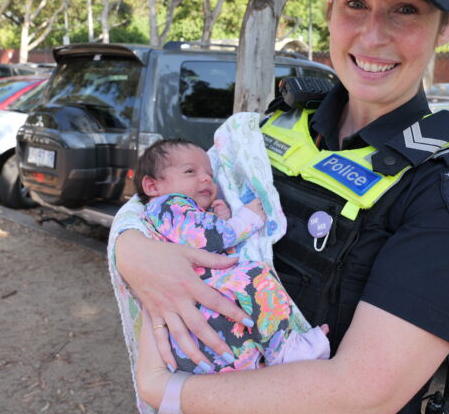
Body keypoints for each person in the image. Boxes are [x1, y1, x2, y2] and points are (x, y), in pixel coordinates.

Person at [113, 0, 449, 413]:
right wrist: (132, 250)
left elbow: (364, 394)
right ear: (330, 12)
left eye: (405, 10)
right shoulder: (276, 126)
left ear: (446, 25)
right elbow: (171, 211)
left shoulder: (448, 183)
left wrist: (166, 391)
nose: (373, 35)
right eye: (355, 4)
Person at [126, 137, 330, 376]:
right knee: (254, 275)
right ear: (152, 186)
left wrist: (218, 220)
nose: (205, 178)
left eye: (210, 175)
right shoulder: (167, 204)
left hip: (201, 327)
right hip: (199, 305)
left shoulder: (170, 213)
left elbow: (198, 236)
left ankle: (258, 362)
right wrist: (244, 220)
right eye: (190, 171)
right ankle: (283, 348)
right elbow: (205, 239)